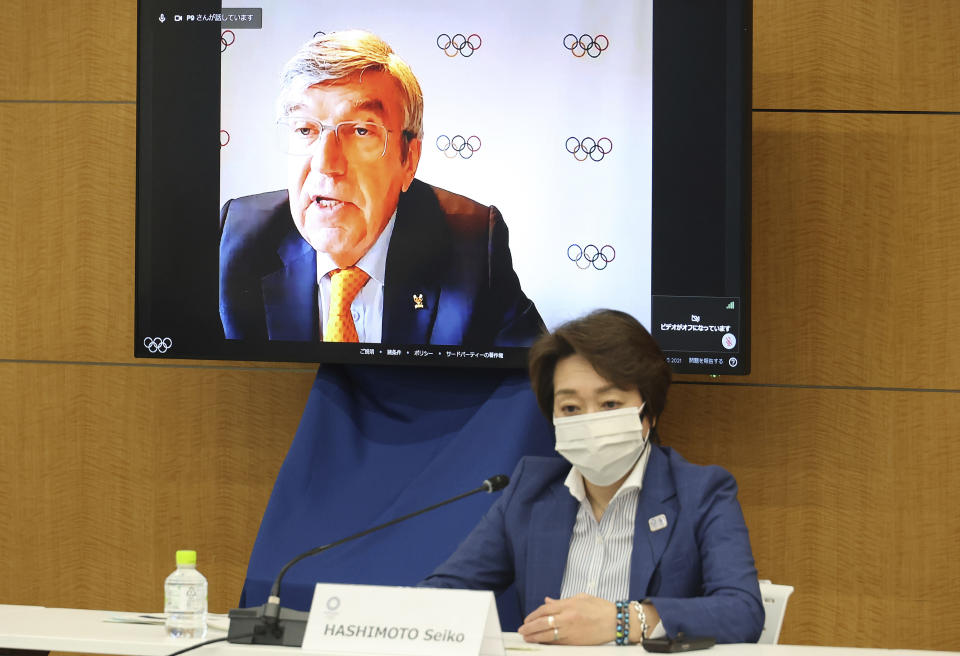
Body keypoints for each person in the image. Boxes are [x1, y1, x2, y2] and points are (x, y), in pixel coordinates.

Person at [421, 309, 764, 644]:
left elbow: (742, 612)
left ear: (650, 413)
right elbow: (448, 593)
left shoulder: (701, 493)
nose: (590, 421)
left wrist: (625, 620)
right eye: (570, 408)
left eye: (610, 404)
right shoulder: (531, 491)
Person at [219, 30, 543, 346]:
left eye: (361, 131)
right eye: (305, 129)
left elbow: (534, 382)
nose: (325, 163)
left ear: (409, 161)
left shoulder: (472, 247)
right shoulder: (236, 240)